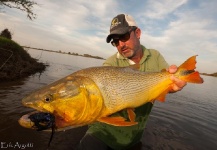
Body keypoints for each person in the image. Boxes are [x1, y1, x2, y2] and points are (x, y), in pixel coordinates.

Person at [77, 14, 186, 150]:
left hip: (134, 137)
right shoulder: (110, 64)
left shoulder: (155, 56)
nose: (121, 45)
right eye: (115, 42)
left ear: (138, 33)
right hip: (102, 133)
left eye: (123, 37)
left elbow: (167, 83)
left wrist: (174, 86)